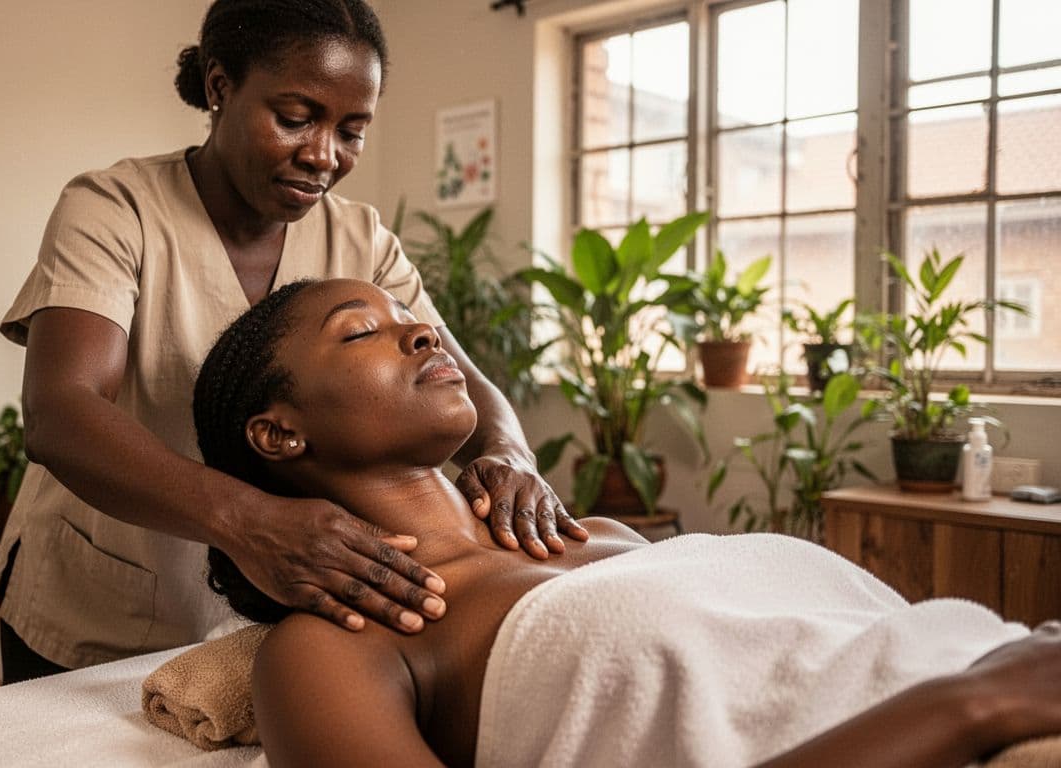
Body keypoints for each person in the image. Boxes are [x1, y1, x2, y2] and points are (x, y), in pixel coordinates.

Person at [192, 277, 1061, 768]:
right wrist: (971, 706)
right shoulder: (343, 643)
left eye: (413, 320)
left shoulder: (599, 536)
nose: (424, 337)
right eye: (362, 334)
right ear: (278, 431)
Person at [0, 0, 584, 683]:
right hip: (102, 605)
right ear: (219, 88)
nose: (324, 155)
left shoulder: (360, 238)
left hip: (274, 611)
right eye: (296, 119)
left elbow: (460, 373)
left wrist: (511, 455)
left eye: (352, 131)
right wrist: (251, 522)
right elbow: (59, 411)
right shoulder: (116, 209)